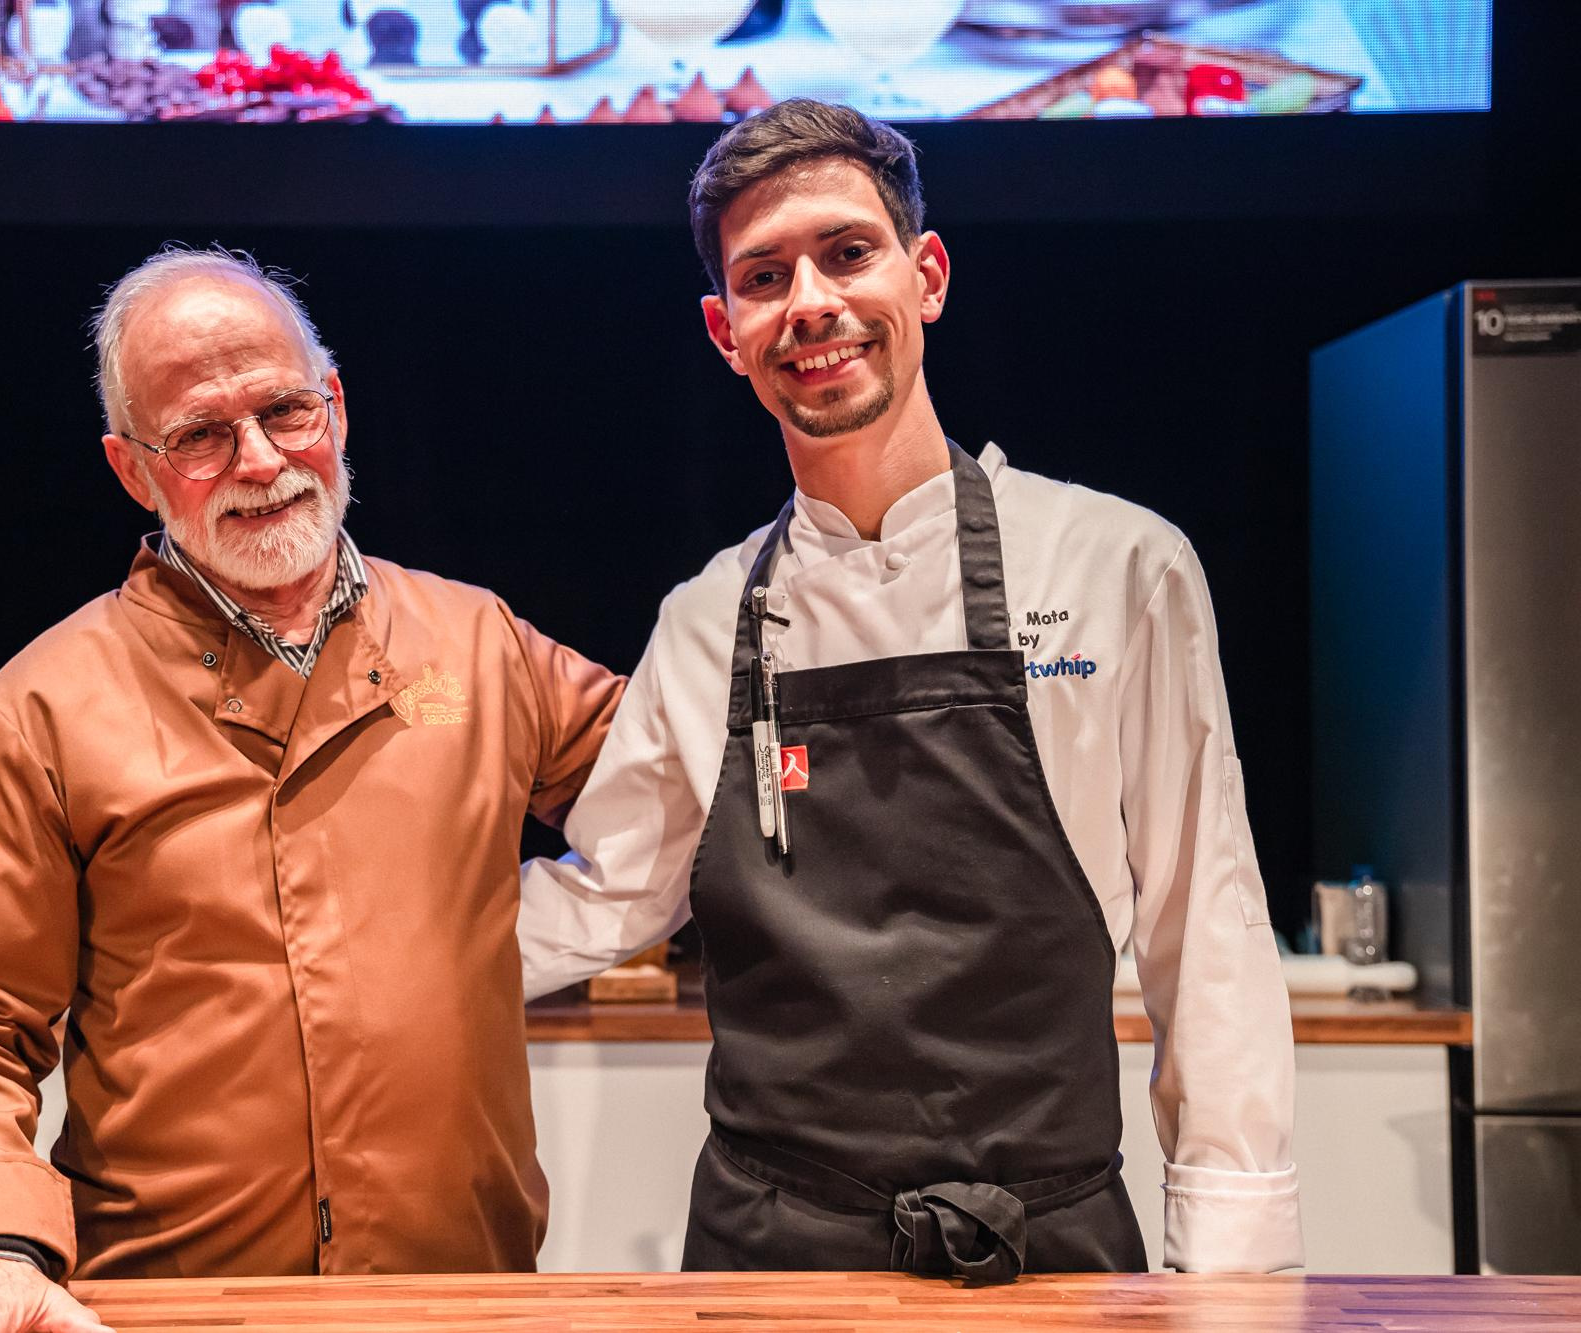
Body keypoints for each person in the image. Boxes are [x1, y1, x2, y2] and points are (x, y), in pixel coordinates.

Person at [518, 99, 1302, 1278]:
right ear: (724, 330)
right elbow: (610, 894)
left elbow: (1207, 928)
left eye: (846, 253)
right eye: (763, 276)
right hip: (768, 1256)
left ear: (924, 275)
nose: (808, 303)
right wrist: (348, 964)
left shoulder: (1118, 567)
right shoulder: (706, 618)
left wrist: (1233, 1267)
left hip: (1044, 1250)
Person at [0, 245, 623, 1333]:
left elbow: (684, 789)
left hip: (463, 1294)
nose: (260, 461)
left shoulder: (478, 641)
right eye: (200, 436)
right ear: (133, 469)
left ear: (336, 408)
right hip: (164, 1307)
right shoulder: (44, 704)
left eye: (284, 410)